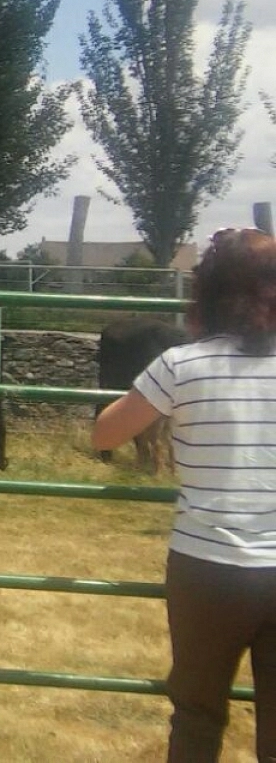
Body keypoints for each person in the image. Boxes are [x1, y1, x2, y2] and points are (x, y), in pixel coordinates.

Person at [94, 227, 276, 762]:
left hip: (208, 569)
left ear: (210, 292)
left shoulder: (182, 364)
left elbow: (105, 434)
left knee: (196, 717)